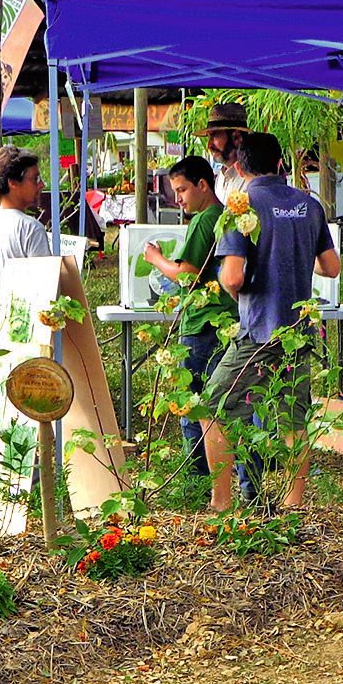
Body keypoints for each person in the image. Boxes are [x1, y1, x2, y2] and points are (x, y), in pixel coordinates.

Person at [204, 132, 341, 512]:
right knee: (293, 419)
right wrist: (293, 255)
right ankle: (295, 502)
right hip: (297, 331)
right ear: (281, 164)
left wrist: (241, 293)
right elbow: (331, 267)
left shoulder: (242, 206)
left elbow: (231, 277)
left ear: (238, 168)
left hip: (257, 329)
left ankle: (222, 502)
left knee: (214, 408)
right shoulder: (309, 205)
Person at [141, 156, 235, 476]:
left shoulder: (204, 220)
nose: (178, 198)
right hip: (226, 319)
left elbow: (187, 275)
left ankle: (196, 474)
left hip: (202, 321)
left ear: (202, 185)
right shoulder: (226, 217)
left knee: (192, 401)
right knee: (220, 402)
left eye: (182, 190)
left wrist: (156, 258)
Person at [0, 146, 52, 337]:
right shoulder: (31, 229)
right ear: (13, 182)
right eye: (35, 179)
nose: (41, 185)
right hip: (26, 336)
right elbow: (44, 287)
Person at [200, 102, 249, 203]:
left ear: (236, 137)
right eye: (209, 137)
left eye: (215, 136)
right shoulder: (220, 177)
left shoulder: (250, 178)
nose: (209, 145)